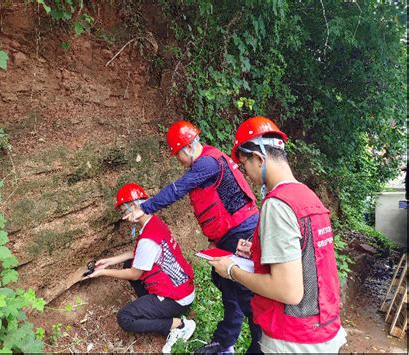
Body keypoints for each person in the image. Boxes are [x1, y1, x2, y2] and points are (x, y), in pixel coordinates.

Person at [209, 116, 347, 353]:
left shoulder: (278, 205)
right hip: (322, 327)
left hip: (293, 338)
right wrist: (256, 252)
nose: (248, 176)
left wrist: (232, 271)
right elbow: (306, 258)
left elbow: (288, 291)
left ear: (259, 158)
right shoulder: (306, 196)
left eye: (246, 166)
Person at [126, 121, 262, 354]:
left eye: (177, 153)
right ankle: (224, 343)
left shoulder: (207, 164)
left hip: (242, 232)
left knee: (246, 294)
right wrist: (217, 239)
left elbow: (178, 189)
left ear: (187, 147)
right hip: (232, 233)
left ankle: (260, 347)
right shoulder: (208, 162)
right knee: (227, 287)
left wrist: (145, 207)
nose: (177, 159)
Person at [84, 183, 196, 353]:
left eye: (124, 211)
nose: (124, 216)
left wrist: (103, 272)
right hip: (183, 288)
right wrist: (108, 261)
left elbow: (135, 274)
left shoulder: (147, 239)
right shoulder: (153, 223)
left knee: (125, 318)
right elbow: (139, 254)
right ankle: (156, 308)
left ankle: (178, 325)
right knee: (130, 263)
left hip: (176, 299)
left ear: (135, 206)